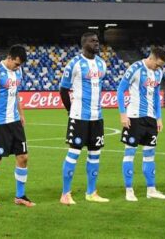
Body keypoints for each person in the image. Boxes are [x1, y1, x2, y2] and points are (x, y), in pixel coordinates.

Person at [0, 45, 34, 209]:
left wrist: (21, 114)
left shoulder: (18, 71)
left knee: (23, 157)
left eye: (20, 65)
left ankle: (20, 195)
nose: (18, 67)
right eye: (16, 64)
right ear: (9, 58)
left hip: (15, 121)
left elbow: (16, 93)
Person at [59, 32, 109, 205]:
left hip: (97, 117)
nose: (97, 43)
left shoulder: (102, 64)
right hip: (79, 116)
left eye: (97, 40)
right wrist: (70, 110)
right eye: (93, 41)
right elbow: (63, 90)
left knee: (95, 154)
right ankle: (65, 194)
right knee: (74, 153)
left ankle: (91, 192)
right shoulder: (74, 64)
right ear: (84, 43)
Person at [118, 47, 165, 201]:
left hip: (151, 119)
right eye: (158, 64)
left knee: (150, 155)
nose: (159, 67)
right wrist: (123, 114)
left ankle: (151, 190)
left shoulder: (158, 73)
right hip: (134, 117)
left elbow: (155, 96)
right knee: (129, 154)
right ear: (152, 58)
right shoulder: (135, 68)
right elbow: (120, 90)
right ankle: (129, 191)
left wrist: (158, 118)